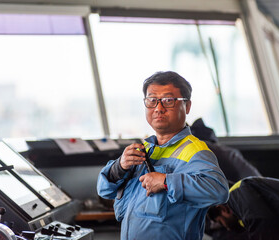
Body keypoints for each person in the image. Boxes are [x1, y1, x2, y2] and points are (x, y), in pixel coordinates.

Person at [97, 71, 229, 240]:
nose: (159, 108)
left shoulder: (195, 151)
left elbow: (219, 191)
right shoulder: (144, 149)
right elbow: (103, 190)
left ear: (187, 106)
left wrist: (166, 181)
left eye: (168, 101)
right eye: (152, 100)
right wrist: (119, 168)